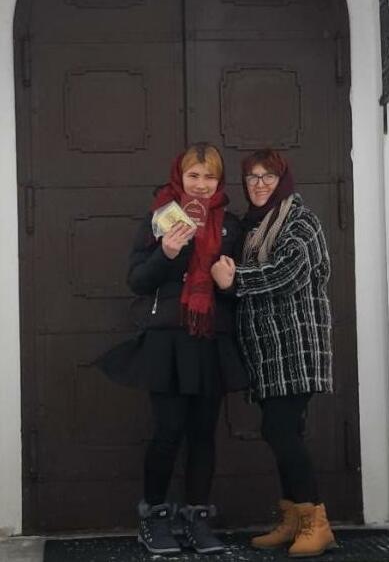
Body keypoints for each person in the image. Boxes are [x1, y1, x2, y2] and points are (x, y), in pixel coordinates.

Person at [100, 143, 247, 555]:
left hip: (210, 340)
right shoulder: (160, 218)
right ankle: (154, 518)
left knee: (203, 434)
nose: (201, 184)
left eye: (209, 176)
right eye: (193, 175)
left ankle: (197, 519)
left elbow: (238, 287)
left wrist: (229, 285)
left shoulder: (231, 226)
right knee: (168, 432)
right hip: (168, 340)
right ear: (180, 177)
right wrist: (166, 253)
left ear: (219, 181)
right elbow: (137, 281)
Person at [211, 149, 337, 558]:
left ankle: (316, 523)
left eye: (268, 176)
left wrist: (234, 280)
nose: (259, 184)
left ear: (282, 180)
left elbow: (287, 274)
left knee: (279, 431)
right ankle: (294, 519)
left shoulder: (300, 221)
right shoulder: (254, 227)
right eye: (252, 177)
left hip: (296, 348)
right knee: (283, 432)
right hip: (267, 354)